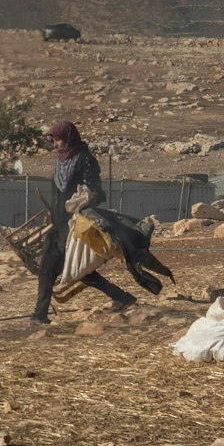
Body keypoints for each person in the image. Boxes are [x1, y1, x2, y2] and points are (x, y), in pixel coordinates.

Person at [33, 120, 136, 324]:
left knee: (76, 270)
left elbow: (97, 193)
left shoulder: (85, 160)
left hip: (76, 225)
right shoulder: (60, 162)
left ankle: (122, 297)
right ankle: (40, 314)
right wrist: (52, 213)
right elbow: (57, 194)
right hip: (58, 224)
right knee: (51, 268)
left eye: (59, 139)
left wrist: (82, 202)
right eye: (53, 140)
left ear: (69, 138)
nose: (55, 144)